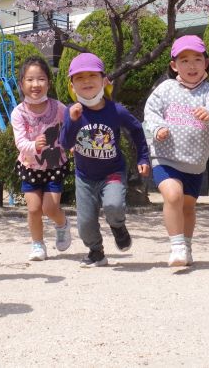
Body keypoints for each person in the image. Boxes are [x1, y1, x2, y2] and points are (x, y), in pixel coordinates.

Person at [143, 35, 209, 267]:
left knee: (188, 206)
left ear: (206, 62)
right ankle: (177, 245)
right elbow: (151, 110)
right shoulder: (166, 88)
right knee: (173, 196)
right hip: (165, 156)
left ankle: (187, 246)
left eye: (197, 59)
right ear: (174, 65)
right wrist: (158, 127)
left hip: (195, 161)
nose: (191, 65)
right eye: (184, 60)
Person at [59, 53, 150, 267]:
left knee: (113, 205)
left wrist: (143, 157)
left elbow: (136, 129)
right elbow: (65, 142)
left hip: (112, 172)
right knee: (85, 224)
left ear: (104, 80)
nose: (87, 81)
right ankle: (96, 252)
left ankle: (118, 226)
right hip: (85, 177)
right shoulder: (70, 112)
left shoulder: (115, 110)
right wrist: (72, 120)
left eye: (92, 75)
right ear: (72, 85)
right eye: (79, 78)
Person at [11, 56, 71, 262]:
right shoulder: (18, 113)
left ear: (48, 82)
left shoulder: (59, 108)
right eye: (30, 79)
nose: (35, 84)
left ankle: (62, 224)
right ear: (21, 84)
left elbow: (71, 128)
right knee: (34, 208)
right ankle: (37, 244)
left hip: (54, 165)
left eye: (41, 79)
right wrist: (33, 146)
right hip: (29, 166)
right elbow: (20, 141)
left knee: (50, 208)